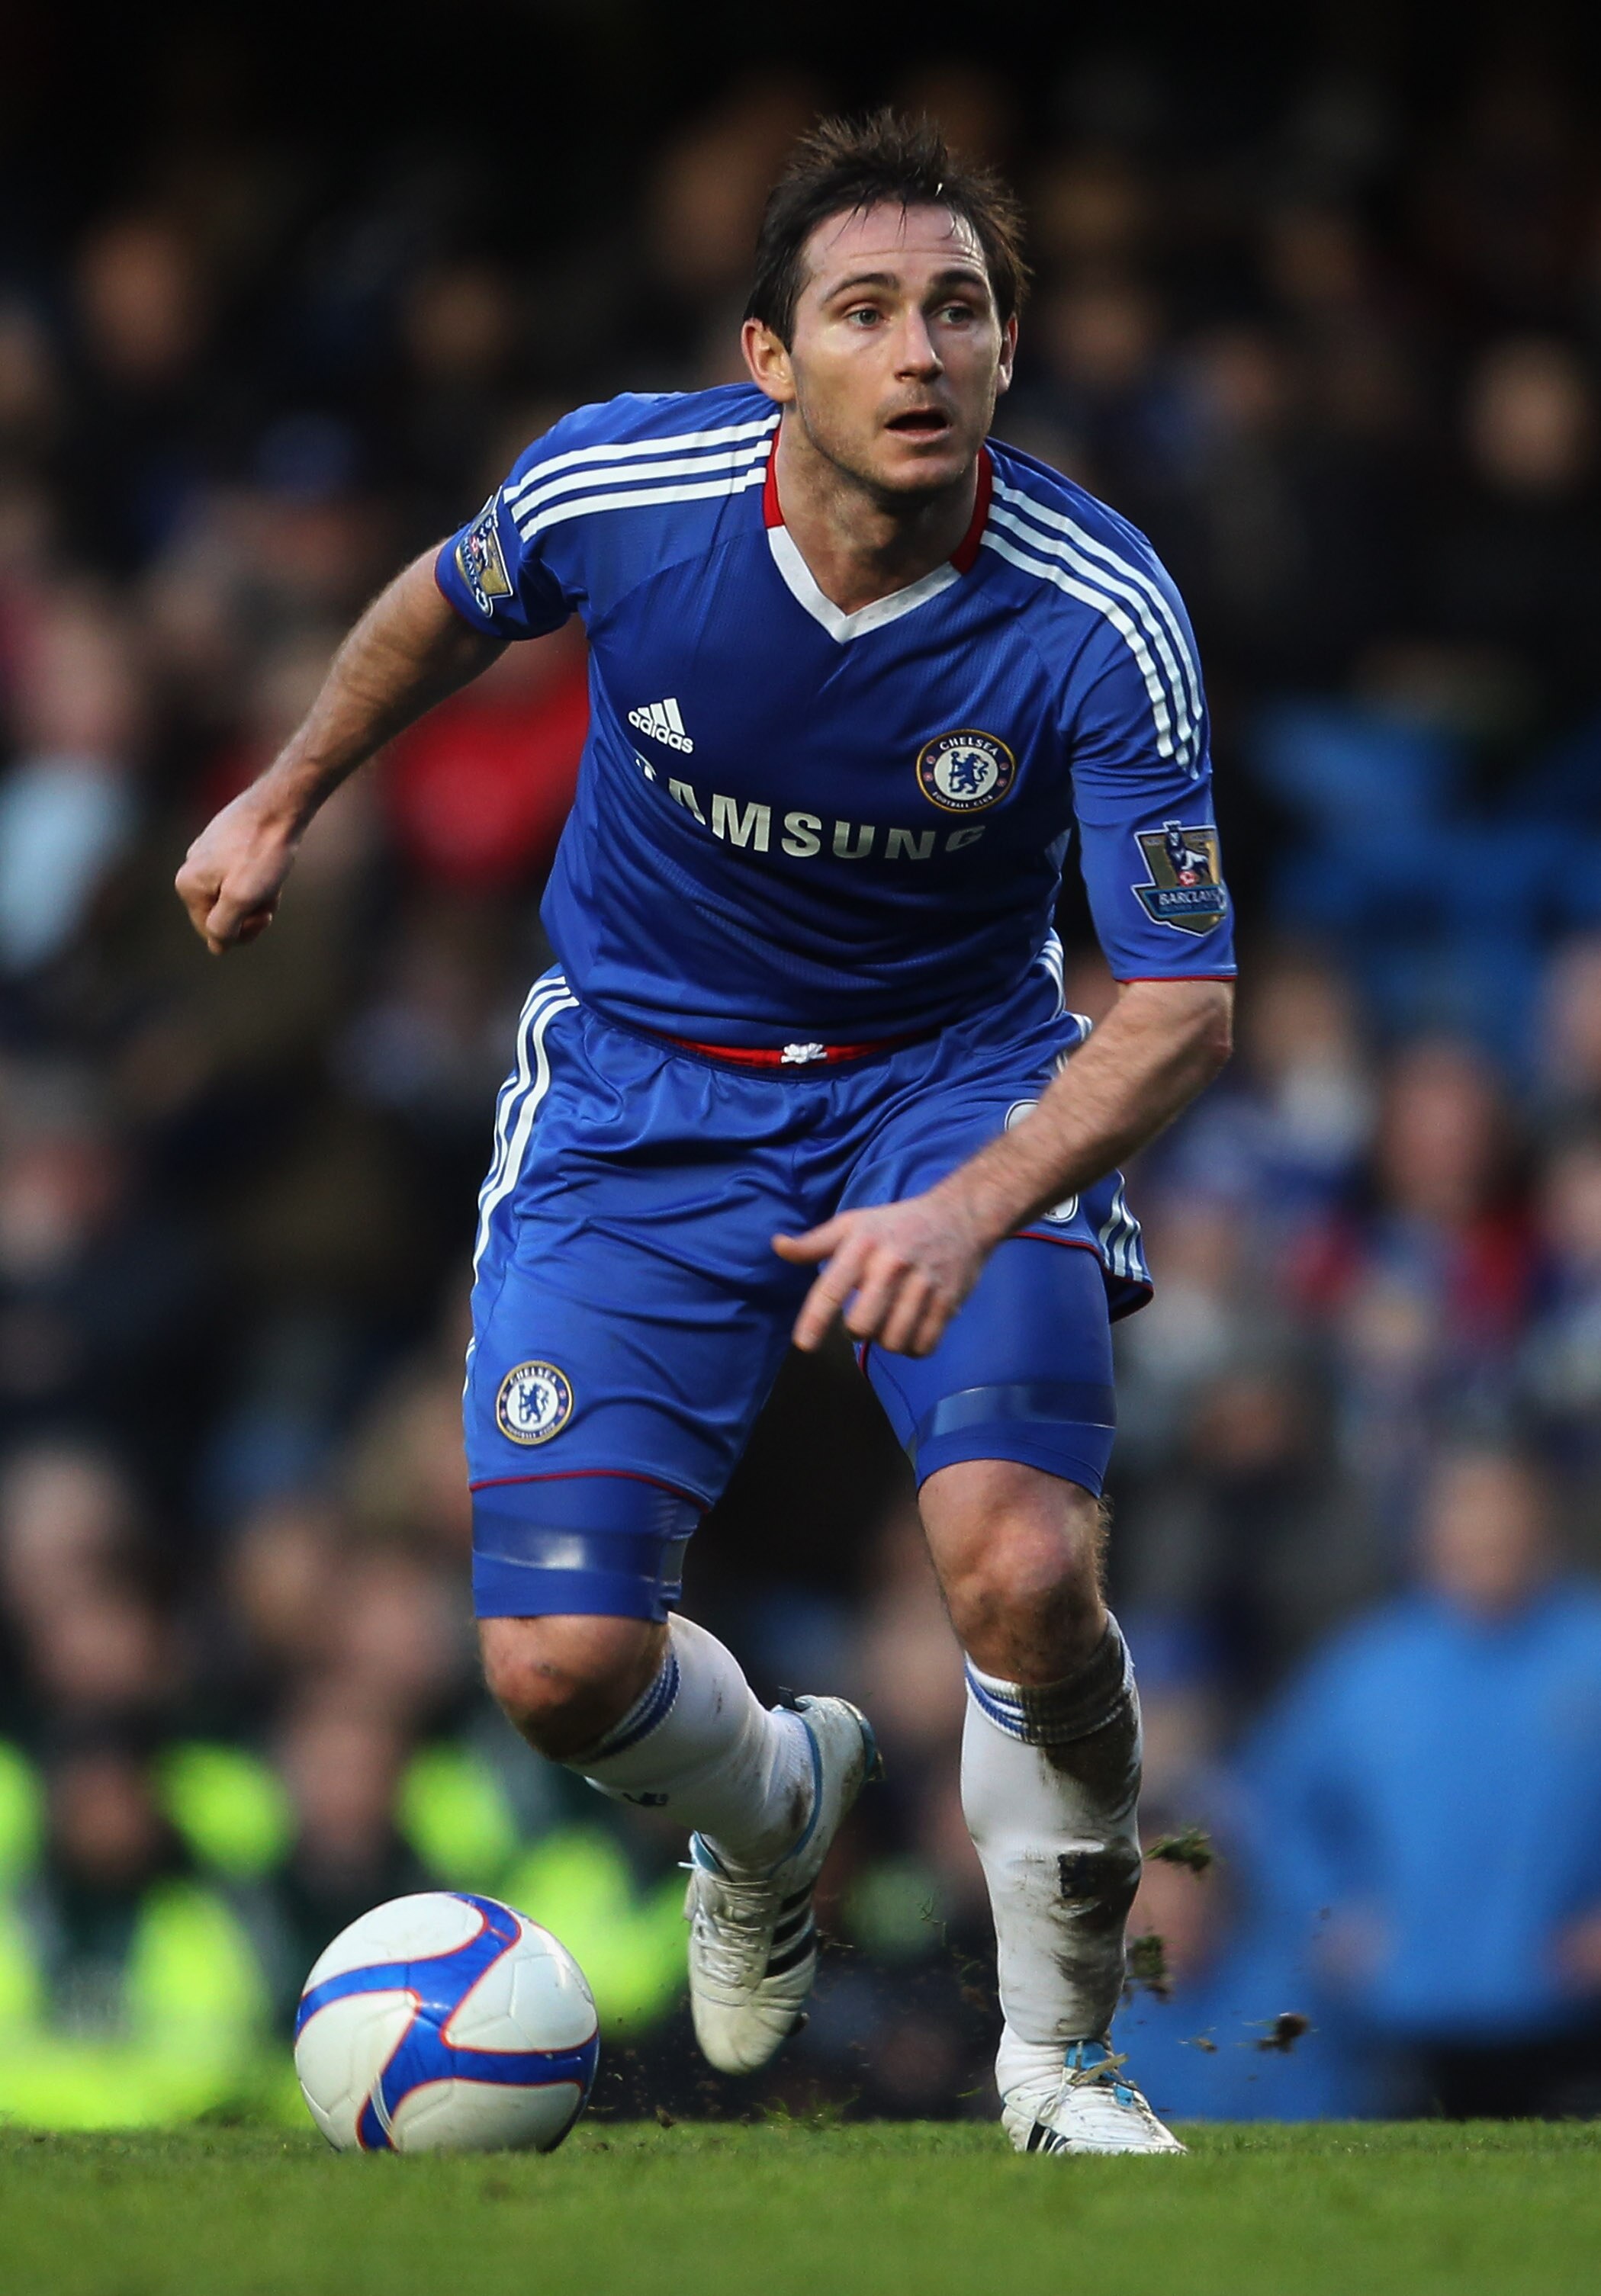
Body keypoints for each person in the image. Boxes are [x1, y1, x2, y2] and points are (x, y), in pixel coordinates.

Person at [175, 114, 1234, 2155]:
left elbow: (1178, 1003)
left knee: (1018, 1570)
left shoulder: (1097, 613)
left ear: (1009, 351)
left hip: (956, 1081)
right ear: (770, 359)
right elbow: (439, 603)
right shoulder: (623, 487)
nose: (921, 352)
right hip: (644, 1084)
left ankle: (1060, 2064)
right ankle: (771, 1808)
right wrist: (285, 791)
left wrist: (980, 1194)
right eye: (867, 312)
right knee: (561, 1665)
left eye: (964, 311)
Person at [1252, 1443, 1601, 2118]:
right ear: (1426, 1532)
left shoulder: (1588, 1648)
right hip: (1401, 2022)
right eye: (1464, 1510)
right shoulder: (1367, 1666)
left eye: (1503, 1508)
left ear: (1541, 1522)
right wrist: (1326, 1915)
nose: (1485, 1532)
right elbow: (1278, 1805)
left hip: (1571, 2020)